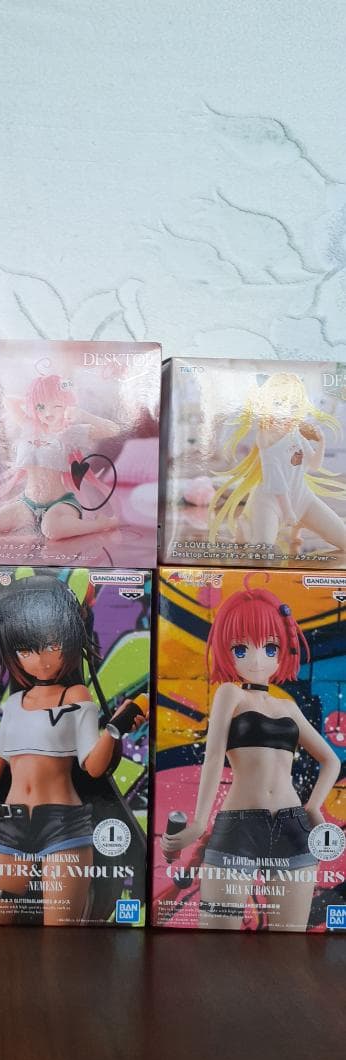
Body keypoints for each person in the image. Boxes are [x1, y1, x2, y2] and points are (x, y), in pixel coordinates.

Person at [0, 575, 146, 925]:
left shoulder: (75, 696)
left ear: (68, 640)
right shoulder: (15, 704)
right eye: (25, 650)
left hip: (63, 824)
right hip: (10, 824)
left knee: (61, 934)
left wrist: (114, 729)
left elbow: (93, 766)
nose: (39, 660)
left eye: (51, 645)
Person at [160, 579, 340, 930]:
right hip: (239, 825)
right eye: (241, 649)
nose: (258, 659)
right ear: (226, 651)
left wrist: (313, 807)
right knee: (217, 944)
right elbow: (213, 758)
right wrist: (199, 823)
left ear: (283, 648)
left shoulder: (287, 707)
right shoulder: (230, 694)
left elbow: (330, 760)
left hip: (292, 825)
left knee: (289, 942)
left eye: (270, 647)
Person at [0, 373, 121, 542]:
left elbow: (114, 430)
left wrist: (83, 415)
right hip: (28, 503)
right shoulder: (29, 426)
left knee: (52, 529)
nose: (48, 413)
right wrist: (35, 398)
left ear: (67, 406)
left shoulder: (71, 433)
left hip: (60, 503)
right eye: (41, 407)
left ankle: (100, 524)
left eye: (56, 406)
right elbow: (8, 400)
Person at [210, 371, 346, 554]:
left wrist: (321, 442)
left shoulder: (295, 433)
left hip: (302, 498)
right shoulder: (265, 438)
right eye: (279, 404)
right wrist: (288, 512)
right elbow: (276, 481)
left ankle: (299, 523)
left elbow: (313, 465)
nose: (287, 411)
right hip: (270, 502)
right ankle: (245, 527)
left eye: (294, 405)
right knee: (262, 552)